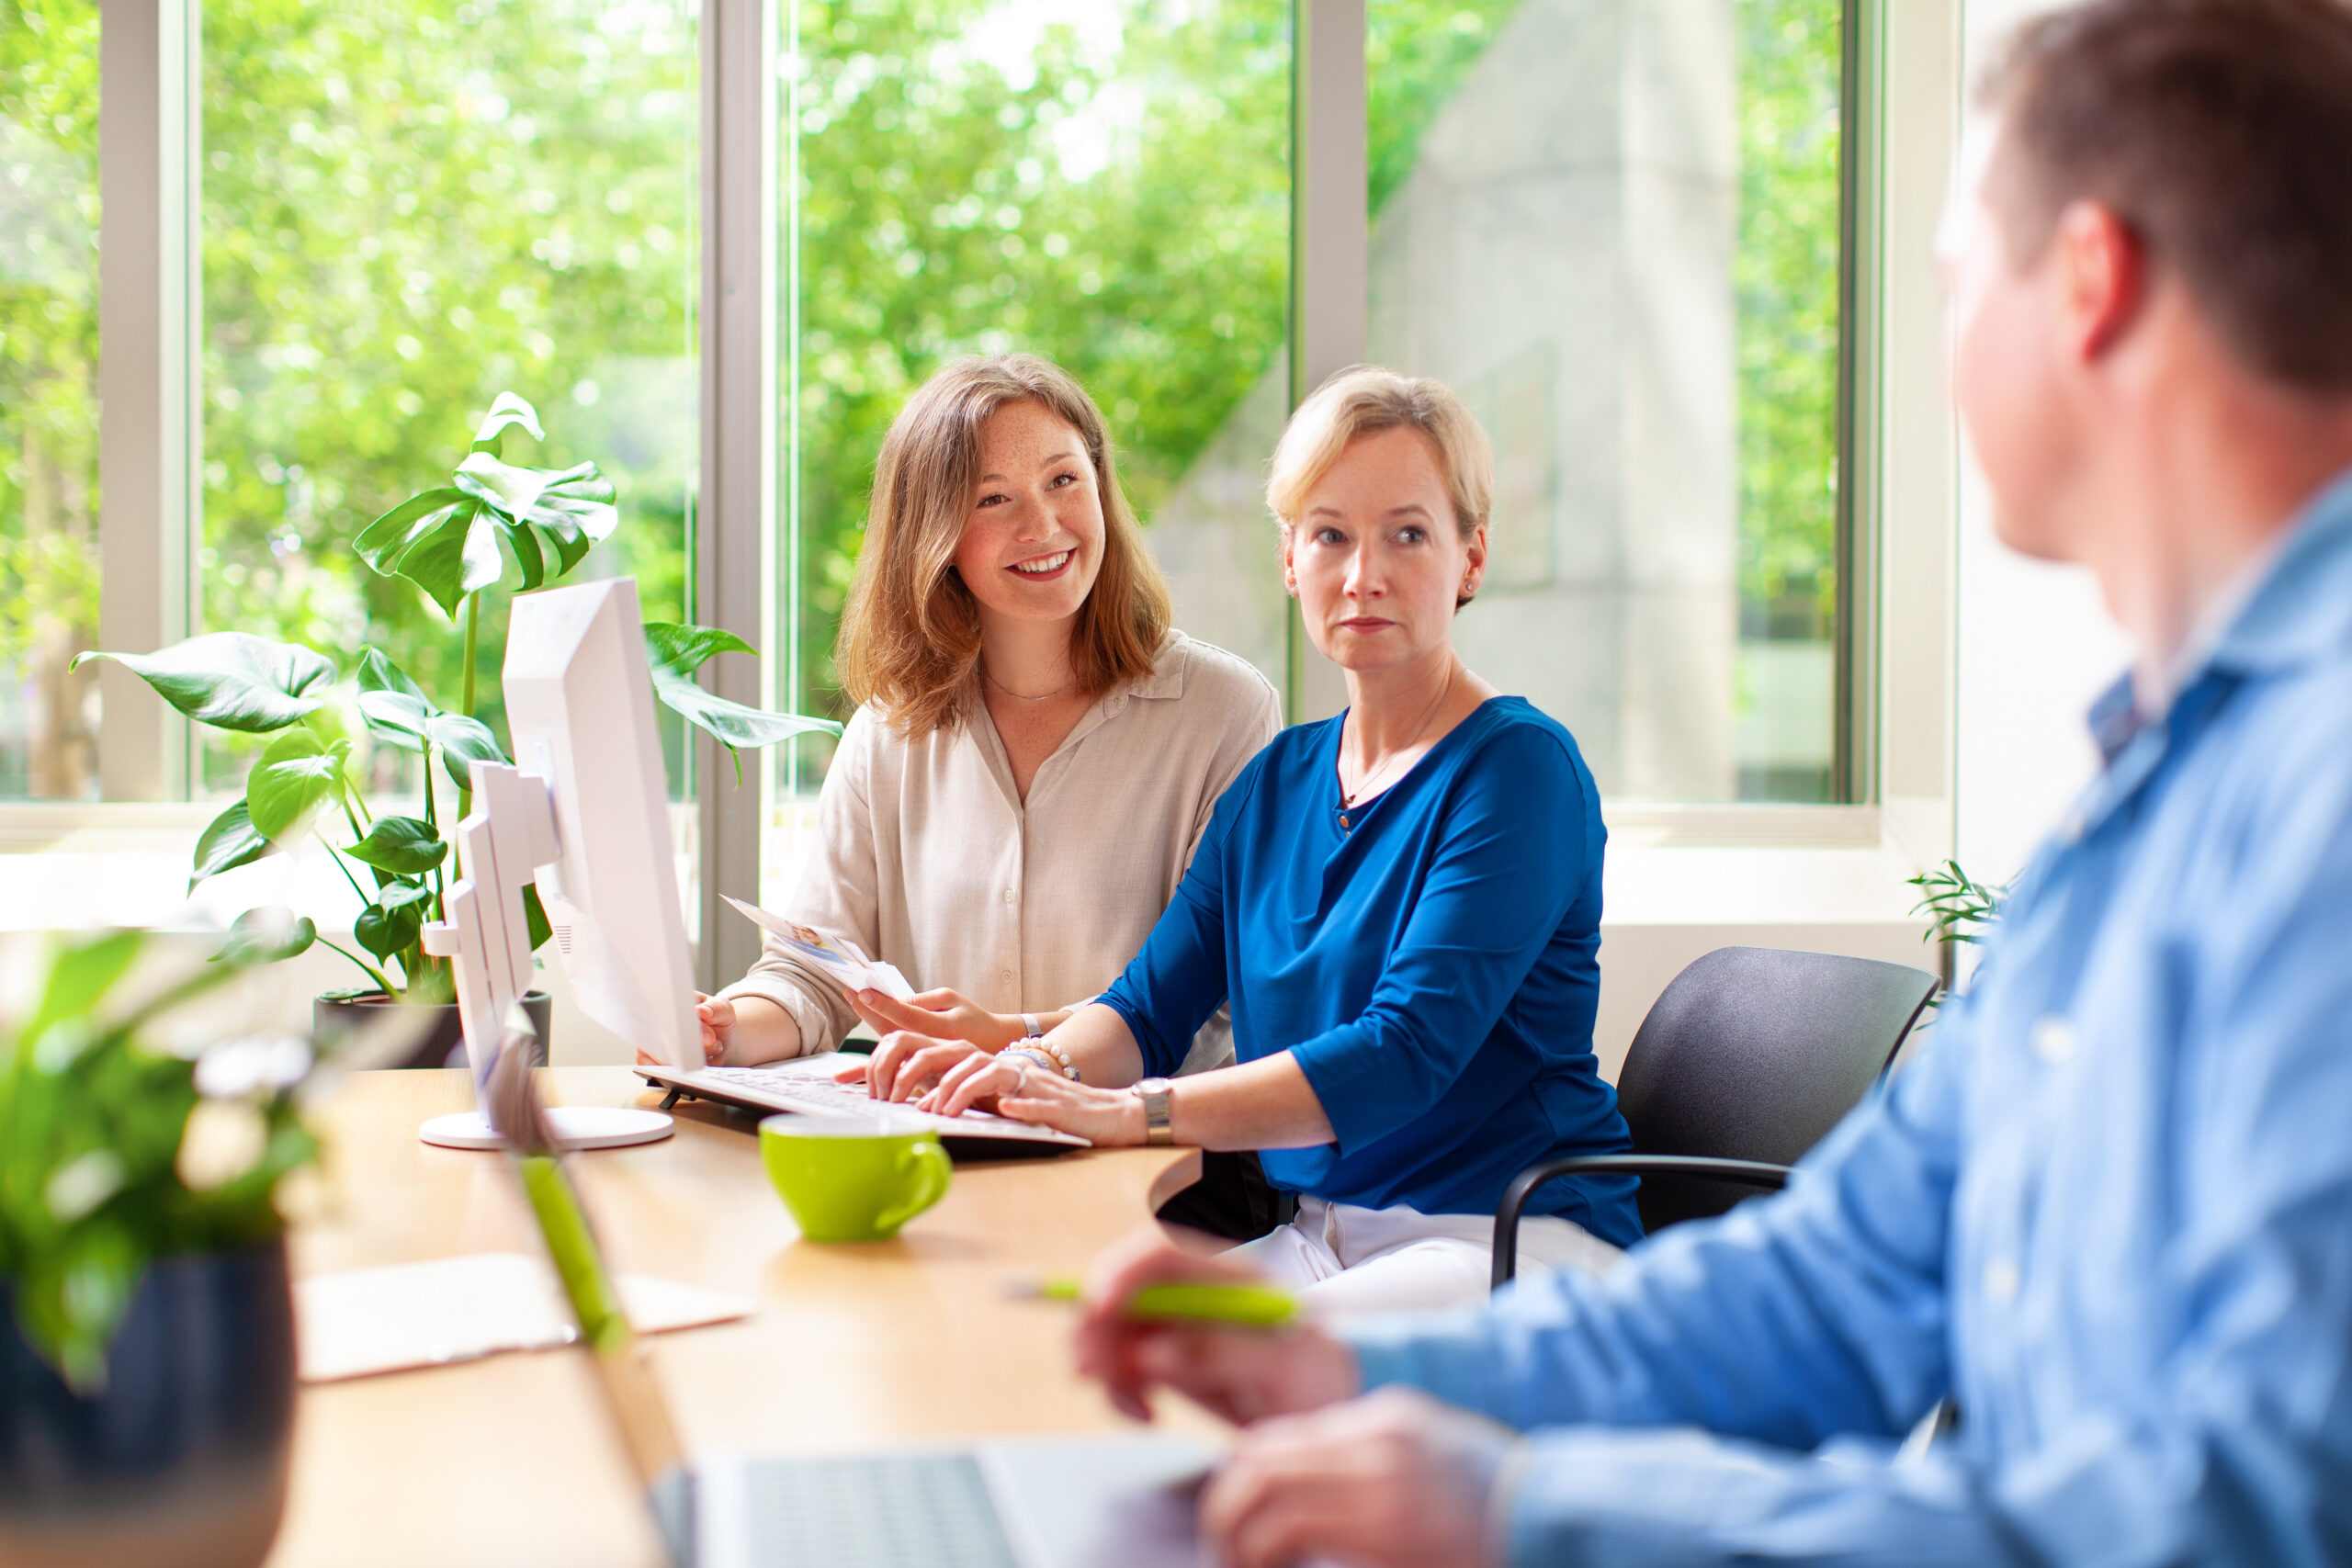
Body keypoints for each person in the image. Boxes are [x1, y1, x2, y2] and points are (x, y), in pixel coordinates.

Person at [1063, 2, 2352, 1562]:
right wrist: (1347, 1364)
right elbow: (1836, 1284)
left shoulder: (2313, 804)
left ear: (2088, 283)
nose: (1935, 347)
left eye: (1952, 281)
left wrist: (1531, 1510)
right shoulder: (2146, 801)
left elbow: (2229, 1517)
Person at [891, 367, 1640, 1312]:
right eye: (1330, 535)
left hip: (1508, 1242)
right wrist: (1033, 1071)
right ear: (1291, 560)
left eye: (1407, 535)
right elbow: (1146, 1010)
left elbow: (1403, 1051)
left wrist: (1133, 1115)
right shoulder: (1278, 781)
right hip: (1323, 1236)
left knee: (1191, 1368)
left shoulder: (1518, 772)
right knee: (1057, 1328)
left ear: (1471, 558)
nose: (1362, 575)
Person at [667, 353, 1284, 1235]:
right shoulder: (890, 730)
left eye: (1065, 479)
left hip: (1158, 1169)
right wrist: (726, 1026)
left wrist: (1012, 1040)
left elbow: (1220, 1001)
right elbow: (815, 972)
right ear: (934, 534)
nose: (1046, 523)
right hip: (942, 1161)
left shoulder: (1223, 711)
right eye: (993, 498)